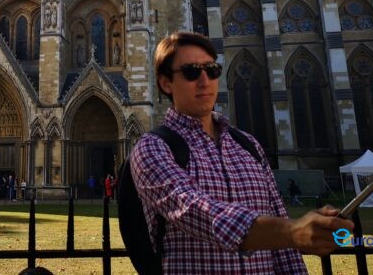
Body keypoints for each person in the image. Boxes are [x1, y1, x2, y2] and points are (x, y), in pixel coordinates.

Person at [129, 31, 353, 274]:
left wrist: (291, 235)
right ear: (165, 83)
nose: (205, 81)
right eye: (191, 72)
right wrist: (291, 231)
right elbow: (194, 210)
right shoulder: (153, 147)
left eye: (212, 70)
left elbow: (284, 254)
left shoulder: (249, 146)